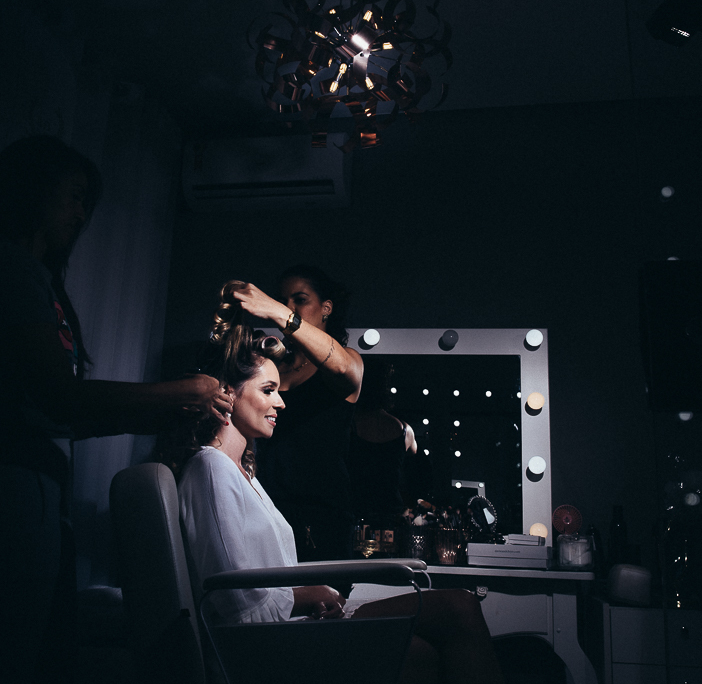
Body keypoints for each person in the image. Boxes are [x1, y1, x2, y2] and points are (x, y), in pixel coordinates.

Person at [0, 136, 232, 684]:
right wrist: (179, 391)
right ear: (30, 192)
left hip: (28, 490)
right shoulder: (6, 268)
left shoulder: (35, 280)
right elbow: (57, 398)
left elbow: (57, 413)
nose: (80, 214)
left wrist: (161, 411)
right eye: (73, 197)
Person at [161, 287, 504, 684]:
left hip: (288, 623)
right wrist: (307, 596)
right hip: (261, 647)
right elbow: (238, 609)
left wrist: (309, 594)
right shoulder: (210, 469)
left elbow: (266, 584)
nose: (281, 403)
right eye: (268, 391)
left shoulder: (247, 476)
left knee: (438, 631)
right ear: (229, 393)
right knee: (448, 621)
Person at [228, 265, 362, 561]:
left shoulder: (346, 361)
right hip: (265, 509)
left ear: (326, 308)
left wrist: (277, 311)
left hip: (321, 516)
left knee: (324, 603)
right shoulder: (271, 368)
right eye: (283, 299)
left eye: (299, 299)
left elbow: (342, 366)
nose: (288, 306)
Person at [348, 357, 418, 529]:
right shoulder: (405, 430)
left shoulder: (349, 425)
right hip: (391, 514)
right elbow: (413, 453)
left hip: (357, 511)